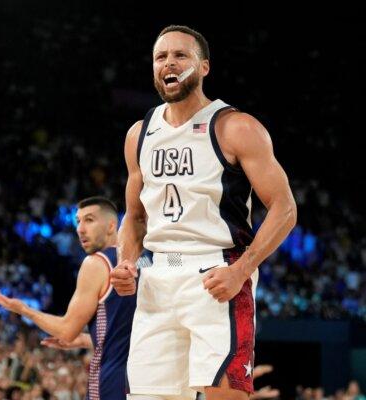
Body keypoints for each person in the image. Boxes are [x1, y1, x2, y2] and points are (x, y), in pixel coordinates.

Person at [111, 25, 297, 400]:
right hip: (156, 276)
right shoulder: (139, 134)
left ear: (204, 67)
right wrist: (126, 262)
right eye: (161, 57)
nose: (169, 63)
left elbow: (285, 208)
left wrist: (242, 270)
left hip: (217, 274)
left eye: (180, 55)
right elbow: (134, 217)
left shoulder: (235, 127)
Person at [0, 196, 149, 400]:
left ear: (112, 226)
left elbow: (66, 331)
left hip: (111, 381)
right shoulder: (148, 260)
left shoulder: (96, 263)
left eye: (89, 220)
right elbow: (128, 332)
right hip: (150, 379)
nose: (80, 229)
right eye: (78, 221)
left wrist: (25, 310)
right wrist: (86, 340)